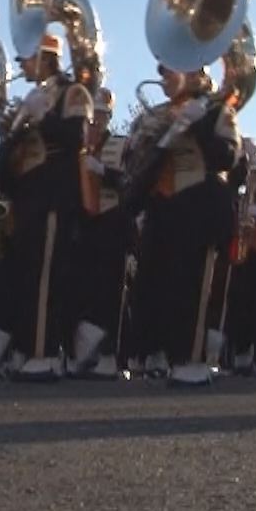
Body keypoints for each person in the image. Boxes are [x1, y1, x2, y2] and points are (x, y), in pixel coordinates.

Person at [125, 64, 240, 387]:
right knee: (153, 285)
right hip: (161, 207)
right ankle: (155, 353)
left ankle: (190, 356)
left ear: (195, 74)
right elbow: (134, 167)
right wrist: (158, 141)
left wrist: (198, 123)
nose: (163, 76)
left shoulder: (216, 110)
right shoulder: (152, 116)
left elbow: (227, 158)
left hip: (197, 203)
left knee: (190, 284)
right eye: (161, 71)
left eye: (170, 70)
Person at [0, 34, 92, 381]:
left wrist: (41, 117)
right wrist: (8, 134)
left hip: (53, 195)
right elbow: (7, 169)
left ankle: (44, 351)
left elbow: (76, 138)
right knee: (25, 274)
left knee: (46, 273)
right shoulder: (29, 100)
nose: (22, 67)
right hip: (27, 198)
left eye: (27, 59)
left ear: (46, 57)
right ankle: (25, 347)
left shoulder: (72, 93)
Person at [71, 86, 133, 379]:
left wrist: (103, 171)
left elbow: (131, 183)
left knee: (110, 290)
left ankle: (109, 354)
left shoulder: (121, 146)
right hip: (84, 225)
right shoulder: (77, 148)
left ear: (108, 118)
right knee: (82, 287)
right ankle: (81, 352)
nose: (94, 123)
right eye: (90, 117)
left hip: (112, 223)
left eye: (100, 117)